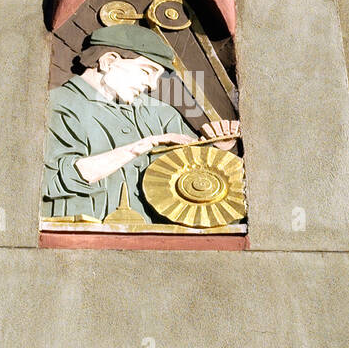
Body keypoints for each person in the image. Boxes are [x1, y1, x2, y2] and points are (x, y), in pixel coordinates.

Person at [42, 24, 240, 223]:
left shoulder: (161, 114)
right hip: (79, 242)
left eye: (157, 77)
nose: (152, 85)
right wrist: (143, 145)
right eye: (147, 72)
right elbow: (51, 181)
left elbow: (194, 180)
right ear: (109, 61)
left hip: (155, 242)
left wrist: (219, 148)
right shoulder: (55, 105)